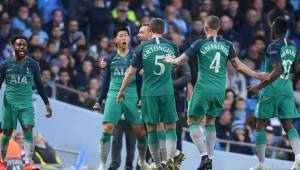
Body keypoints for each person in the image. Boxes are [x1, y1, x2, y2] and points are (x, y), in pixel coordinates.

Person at [164, 15, 269, 170]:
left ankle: (204, 156)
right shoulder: (227, 44)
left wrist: (171, 59)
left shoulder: (200, 43)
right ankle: (210, 161)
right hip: (220, 90)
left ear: (206, 27)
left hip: (203, 88)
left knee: (192, 120)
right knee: (210, 121)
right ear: (218, 28)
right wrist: (257, 75)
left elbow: (181, 60)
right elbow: (238, 65)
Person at [116, 18, 179, 170]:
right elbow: (175, 65)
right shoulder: (172, 46)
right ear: (163, 30)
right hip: (167, 92)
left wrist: (121, 91)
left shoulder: (142, 48)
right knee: (170, 127)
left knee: (151, 129)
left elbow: (131, 72)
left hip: (149, 93)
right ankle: (168, 161)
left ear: (150, 30)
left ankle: (159, 164)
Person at [93, 27, 148, 170]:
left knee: (140, 132)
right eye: (121, 36)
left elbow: (141, 80)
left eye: (126, 36)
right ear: (116, 40)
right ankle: (102, 164)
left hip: (132, 95)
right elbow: (105, 81)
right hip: (113, 94)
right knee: (107, 128)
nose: (124, 38)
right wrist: (99, 100)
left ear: (129, 39)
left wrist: (141, 97)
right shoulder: (109, 59)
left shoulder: (136, 57)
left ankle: (142, 161)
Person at [248, 17, 300, 170]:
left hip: (272, 89)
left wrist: (258, 87)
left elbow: (278, 70)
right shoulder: (293, 45)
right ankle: (298, 157)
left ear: (276, 29)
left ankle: (262, 164)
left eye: (272, 28)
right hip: (287, 87)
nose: (270, 30)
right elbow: (296, 69)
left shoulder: (273, 46)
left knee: (261, 124)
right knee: (288, 124)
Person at [0, 34, 52, 170]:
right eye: (18, 44)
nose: (21, 47)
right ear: (13, 46)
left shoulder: (33, 64)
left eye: (24, 45)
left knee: (28, 130)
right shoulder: (5, 65)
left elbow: (40, 85)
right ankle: (2, 161)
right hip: (9, 104)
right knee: (6, 133)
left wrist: (47, 104)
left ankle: (28, 163)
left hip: (26, 104)